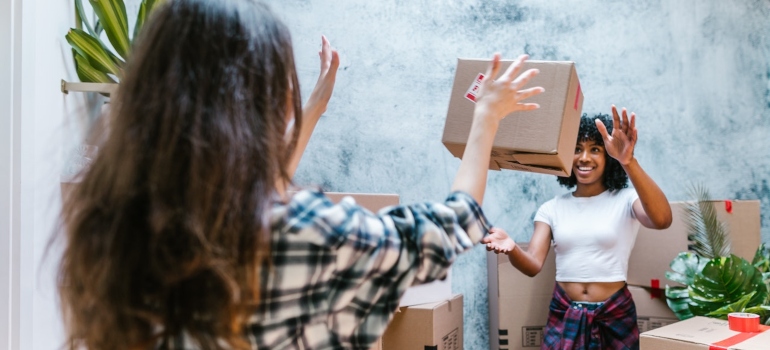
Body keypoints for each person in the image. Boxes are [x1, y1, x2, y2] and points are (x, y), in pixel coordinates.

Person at [55, 0, 544, 349]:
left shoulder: (112, 227)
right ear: (265, 103)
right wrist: (485, 118)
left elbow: (247, 196)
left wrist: (313, 108)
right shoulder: (302, 232)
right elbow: (451, 226)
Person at [482, 109, 673, 349]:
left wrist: (628, 161)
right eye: (576, 149)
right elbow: (532, 265)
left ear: (608, 157)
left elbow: (663, 220)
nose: (584, 157)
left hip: (614, 315)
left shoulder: (626, 199)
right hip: (564, 313)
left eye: (595, 149)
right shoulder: (551, 208)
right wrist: (511, 249)